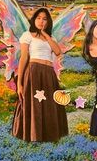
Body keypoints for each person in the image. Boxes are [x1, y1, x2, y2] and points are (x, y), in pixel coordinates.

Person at [12, 8, 68, 142]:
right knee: (34, 103)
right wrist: (19, 83)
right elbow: (24, 58)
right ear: (34, 20)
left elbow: (58, 51)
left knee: (49, 104)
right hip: (34, 71)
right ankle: (34, 135)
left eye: (44, 19)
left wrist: (45, 34)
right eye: (38, 18)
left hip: (49, 73)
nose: (41, 21)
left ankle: (49, 135)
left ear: (48, 22)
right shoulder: (27, 35)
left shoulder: (51, 38)